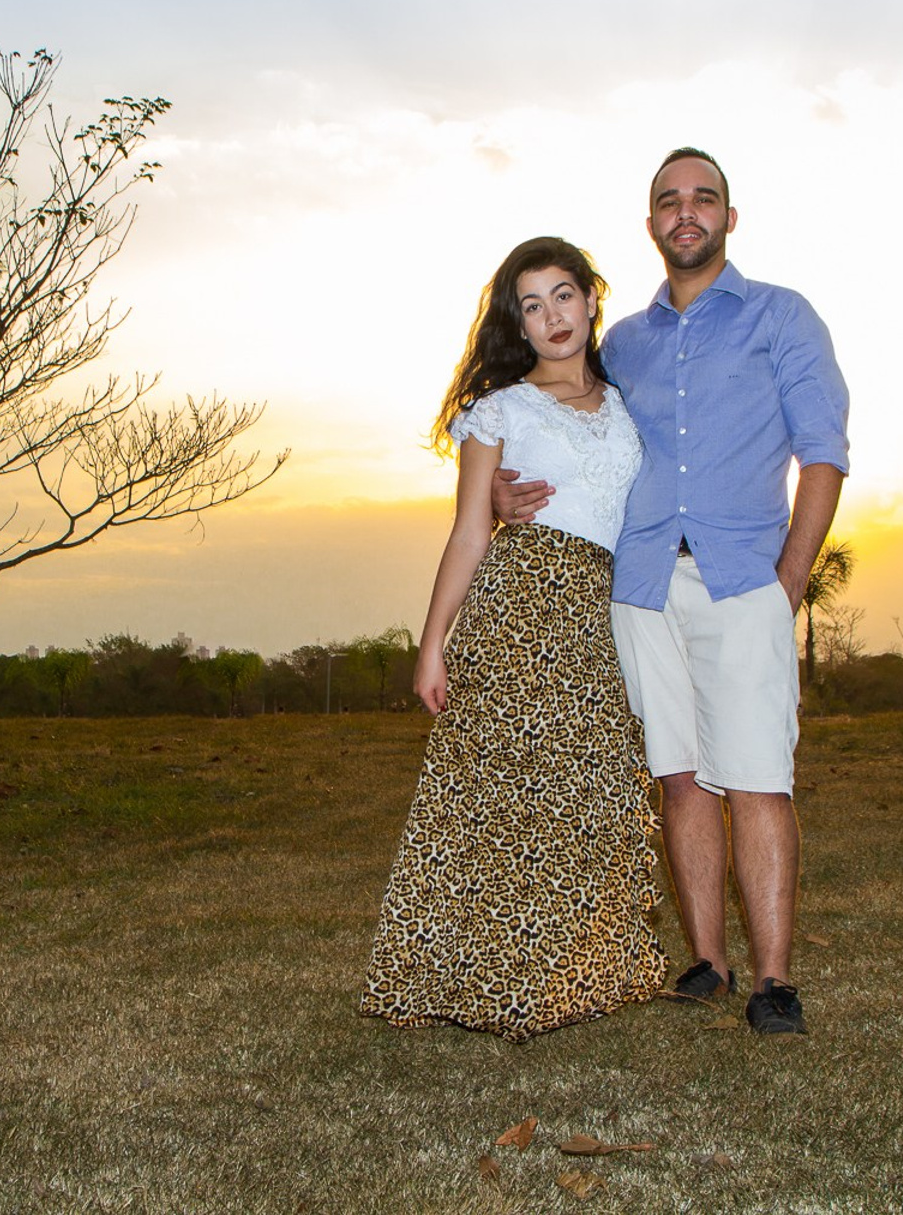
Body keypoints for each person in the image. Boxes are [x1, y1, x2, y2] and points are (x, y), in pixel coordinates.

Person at [494, 149, 849, 1035]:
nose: (686, 212)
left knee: (758, 777)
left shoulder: (782, 317)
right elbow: (567, 429)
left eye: (704, 198)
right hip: (642, 585)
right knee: (682, 778)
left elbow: (824, 453)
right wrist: (500, 487)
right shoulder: (623, 344)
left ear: (730, 215)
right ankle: (708, 963)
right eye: (668, 201)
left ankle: (773, 981)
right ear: (651, 222)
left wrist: (789, 581)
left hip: (743, 580)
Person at [358, 236, 669, 1043]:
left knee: (588, 793)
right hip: (518, 608)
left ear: (591, 300)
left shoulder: (628, 400)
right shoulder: (500, 410)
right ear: (518, 324)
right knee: (497, 798)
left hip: (599, 612)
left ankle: (581, 971)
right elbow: (469, 531)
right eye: (531, 306)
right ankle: (475, 978)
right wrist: (432, 644)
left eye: (563, 295)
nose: (551, 316)